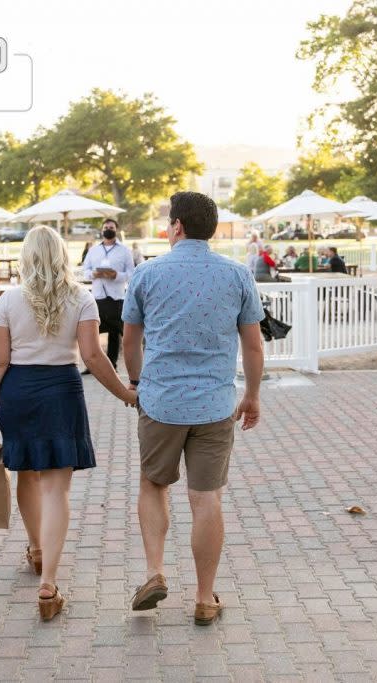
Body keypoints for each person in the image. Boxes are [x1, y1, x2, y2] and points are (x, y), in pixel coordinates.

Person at [0, 226, 136, 621]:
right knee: (55, 489)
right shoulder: (81, 297)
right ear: (63, 256)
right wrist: (126, 395)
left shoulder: (9, 300)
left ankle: (35, 549)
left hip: (18, 393)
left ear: (27, 257)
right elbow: (94, 358)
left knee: (28, 475)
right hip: (61, 392)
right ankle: (48, 582)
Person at [121, 191, 264, 626]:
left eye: (168, 221)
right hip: (215, 405)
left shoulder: (146, 273)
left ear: (178, 225)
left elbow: (129, 340)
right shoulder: (237, 275)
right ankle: (204, 598)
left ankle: (154, 572)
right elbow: (253, 344)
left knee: (153, 485)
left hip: (161, 402)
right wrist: (252, 395)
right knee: (206, 499)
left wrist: (138, 382)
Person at [81, 218, 134, 372]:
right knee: (93, 331)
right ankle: (92, 365)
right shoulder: (93, 250)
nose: (108, 229)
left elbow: (131, 274)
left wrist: (116, 275)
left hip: (116, 297)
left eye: (111, 227)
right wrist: (94, 274)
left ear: (116, 230)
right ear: (102, 230)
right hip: (97, 297)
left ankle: (112, 365)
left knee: (115, 332)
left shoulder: (124, 251)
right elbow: (85, 272)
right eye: (105, 227)